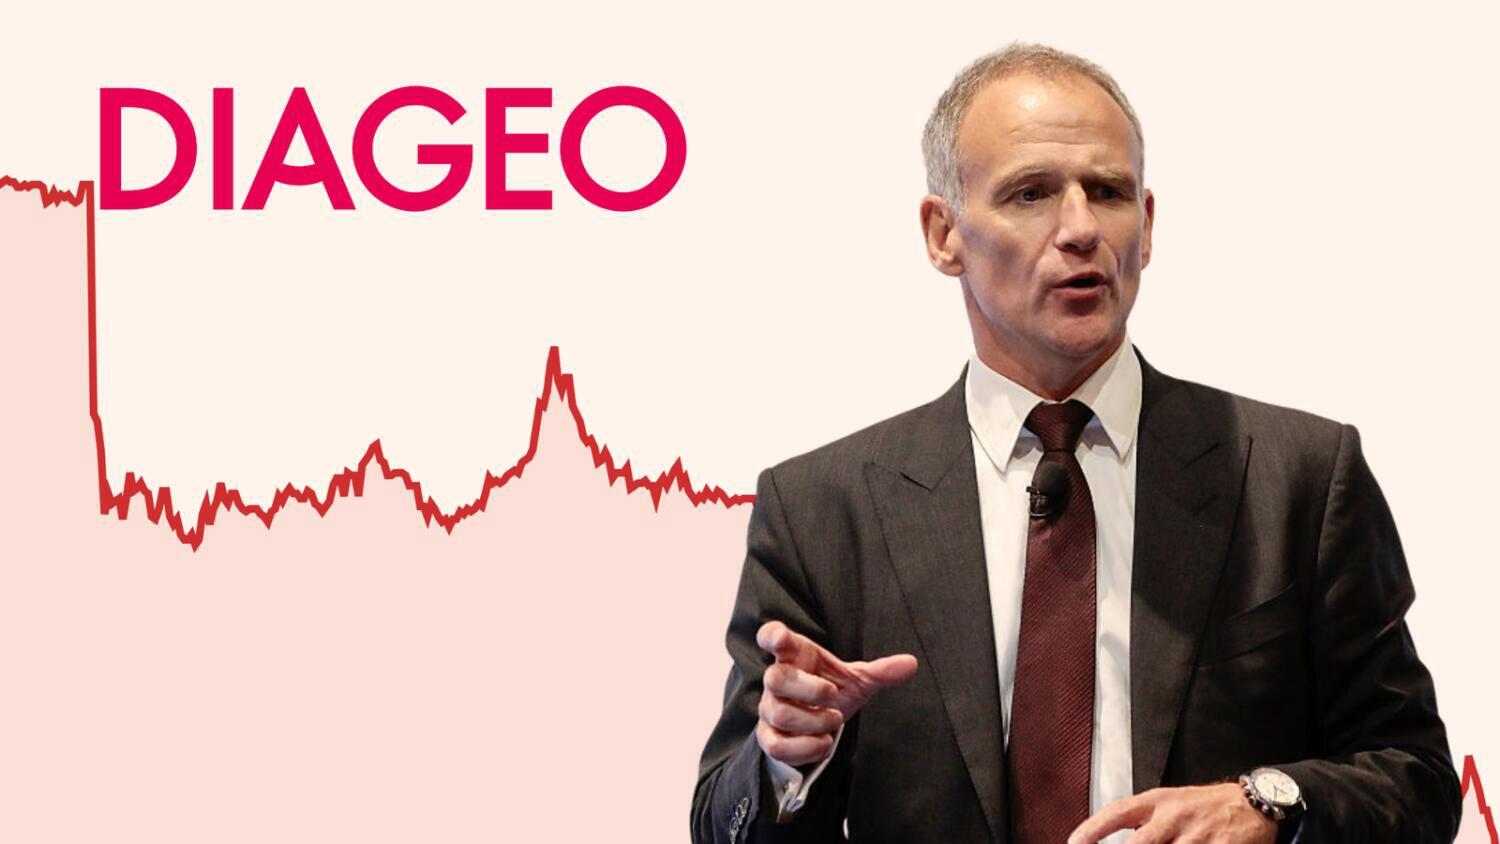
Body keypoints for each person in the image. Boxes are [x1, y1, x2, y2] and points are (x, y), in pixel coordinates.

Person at [689, 42, 1460, 844]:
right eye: (1031, 194)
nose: (1082, 229)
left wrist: (1267, 803)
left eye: (1109, 192)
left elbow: (1417, 781)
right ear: (944, 234)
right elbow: (720, 823)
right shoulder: (822, 511)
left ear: (1147, 226)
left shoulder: (1296, 477)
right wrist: (784, 764)